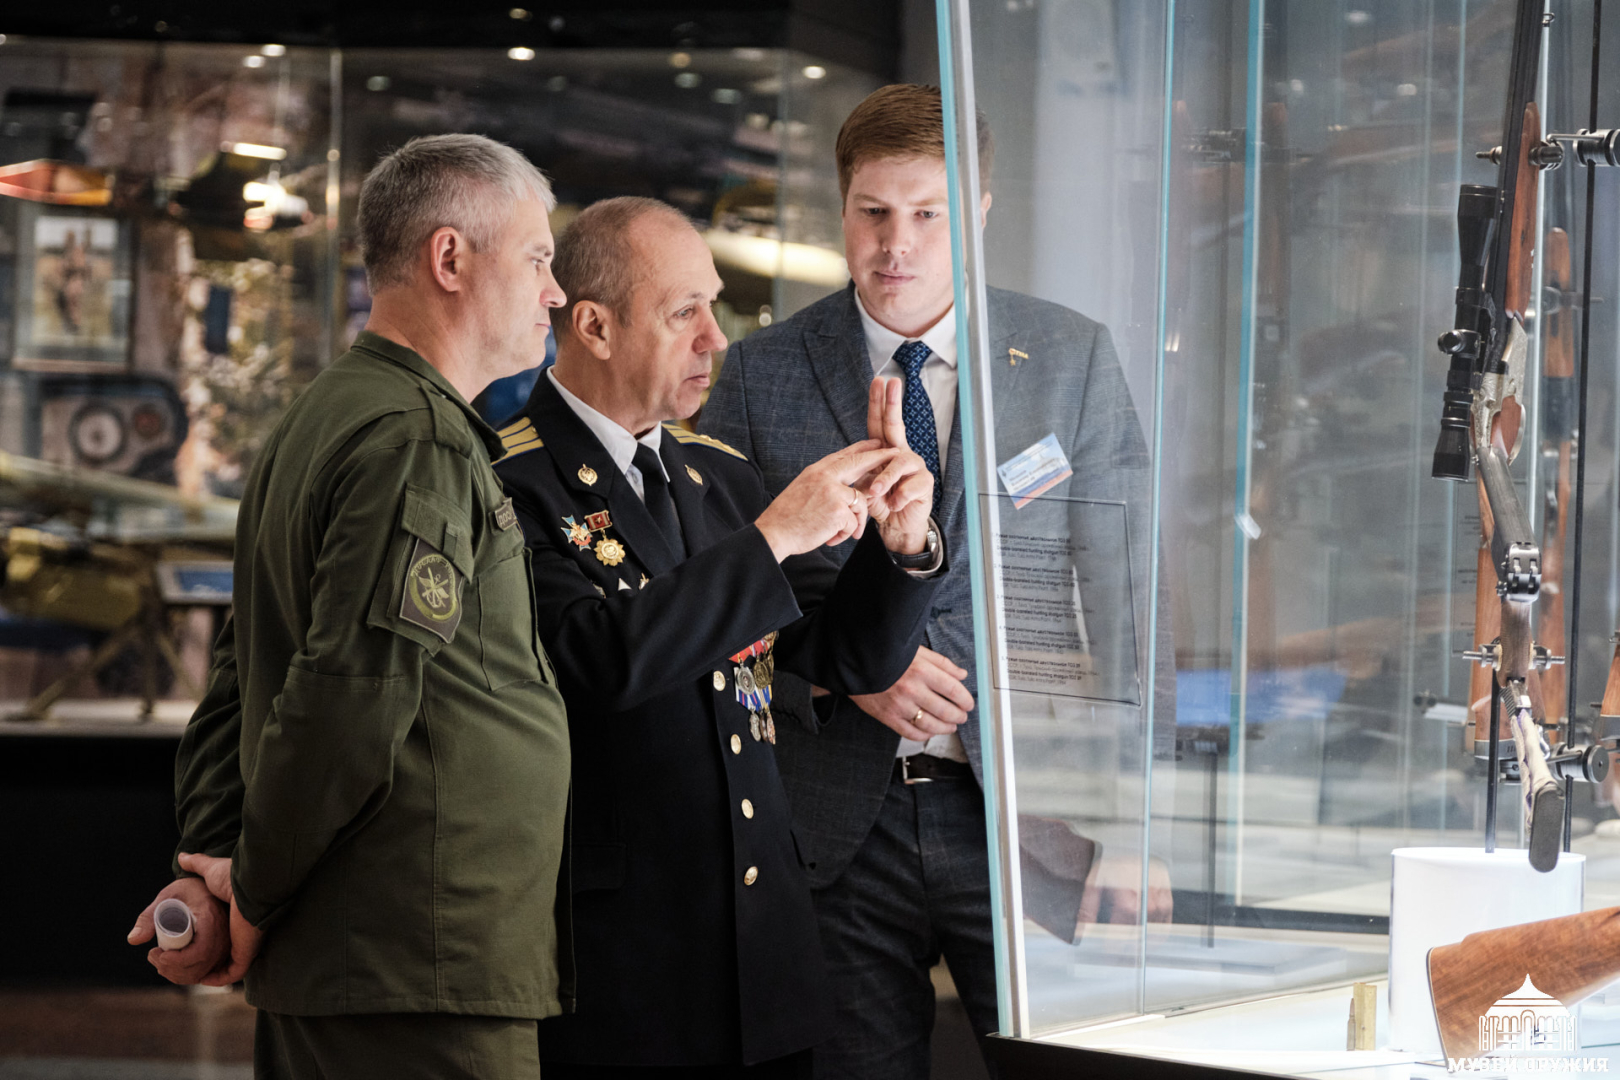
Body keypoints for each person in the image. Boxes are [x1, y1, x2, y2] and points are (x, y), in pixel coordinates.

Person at [699, 84, 1175, 1079]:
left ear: (980, 212)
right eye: (873, 211)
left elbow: (1129, 594)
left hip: (1026, 816)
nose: (896, 245)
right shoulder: (759, 373)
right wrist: (844, 672)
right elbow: (725, 598)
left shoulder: (1069, 359)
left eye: (929, 214)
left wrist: (1139, 822)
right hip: (831, 821)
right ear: (841, 207)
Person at [125, 133, 571, 1080]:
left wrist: (217, 858)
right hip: (415, 967)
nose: (556, 293)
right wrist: (250, 890)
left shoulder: (327, 413)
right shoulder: (417, 439)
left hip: (370, 960)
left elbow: (243, 669)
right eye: (538, 259)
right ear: (450, 258)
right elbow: (349, 697)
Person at [493, 196, 945, 1078]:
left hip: (759, 947)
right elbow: (598, 660)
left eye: (714, 307)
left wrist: (901, 545)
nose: (715, 339)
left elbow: (847, 657)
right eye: (683, 313)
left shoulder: (715, 476)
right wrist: (773, 538)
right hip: (624, 957)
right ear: (593, 326)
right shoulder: (511, 479)